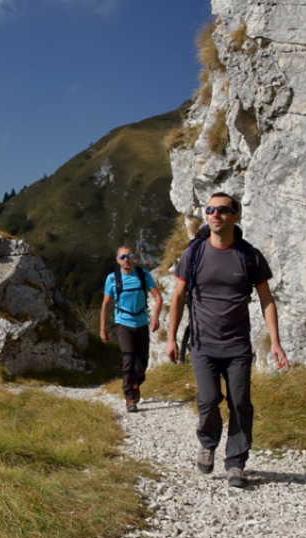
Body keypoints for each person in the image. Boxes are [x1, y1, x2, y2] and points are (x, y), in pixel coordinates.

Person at [164, 192, 289, 488]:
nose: (216, 214)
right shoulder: (193, 254)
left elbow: (267, 300)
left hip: (237, 347)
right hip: (203, 344)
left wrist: (275, 341)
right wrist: (170, 338)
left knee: (241, 403)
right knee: (208, 399)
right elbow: (178, 297)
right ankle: (207, 443)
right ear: (206, 216)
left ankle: (236, 463)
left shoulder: (249, 256)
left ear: (236, 216)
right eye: (210, 209)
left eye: (223, 210)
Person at [100, 246, 163, 413]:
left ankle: (136, 383)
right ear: (117, 260)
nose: (125, 260)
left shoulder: (143, 275)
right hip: (123, 324)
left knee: (143, 361)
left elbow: (158, 296)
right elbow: (105, 304)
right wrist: (103, 329)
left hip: (142, 323)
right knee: (128, 357)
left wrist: (155, 317)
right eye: (122, 257)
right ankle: (130, 397)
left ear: (133, 257)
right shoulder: (112, 279)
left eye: (128, 256)